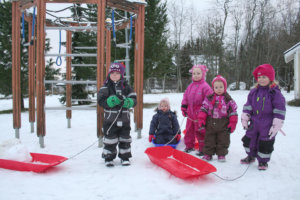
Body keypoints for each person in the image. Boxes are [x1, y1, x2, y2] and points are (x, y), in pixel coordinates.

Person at [240, 64, 286, 170]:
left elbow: (279, 109)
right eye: (259, 77)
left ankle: (263, 161)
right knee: (249, 139)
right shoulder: (253, 92)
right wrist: (245, 117)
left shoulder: (275, 93)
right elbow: (248, 106)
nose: (261, 79)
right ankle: (250, 156)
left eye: (264, 77)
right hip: (254, 121)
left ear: (270, 78)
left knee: (265, 142)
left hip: (268, 122)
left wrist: (277, 123)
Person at [97, 62, 137, 167]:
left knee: (125, 139)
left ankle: (125, 157)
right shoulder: (105, 87)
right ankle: (108, 158)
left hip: (124, 120)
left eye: (117, 73)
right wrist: (109, 101)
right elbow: (100, 101)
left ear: (121, 75)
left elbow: (134, 98)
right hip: (110, 121)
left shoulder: (126, 87)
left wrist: (129, 102)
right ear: (109, 74)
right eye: (112, 73)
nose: (114, 75)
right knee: (110, 140)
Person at [198, 75, 238, 162]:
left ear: (225, 87)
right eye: (216, 87)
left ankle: (221, 154)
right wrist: (201, 119)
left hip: (224, 123)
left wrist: (232, 123)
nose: (219, 89)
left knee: (223, 139)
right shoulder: (209, 98)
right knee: (209, 139)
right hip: (210, 122)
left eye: (221, 87)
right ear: (213, 88)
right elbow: (203, 109)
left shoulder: (228, 99)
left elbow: (233, 112)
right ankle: (208, 154)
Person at [181, 64, 213, 155]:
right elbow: (185, 97)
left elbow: (210, 100)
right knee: (189, 130)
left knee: (201, 131)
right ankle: (189, 146)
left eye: (198, 73)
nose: (196, 75)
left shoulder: (205, 87)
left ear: (203, 74)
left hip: (200, 114)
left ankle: (203, 148)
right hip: (190, 113)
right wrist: (184, 106)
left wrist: (205, 111)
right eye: (194, 73)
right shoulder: (190, 86)